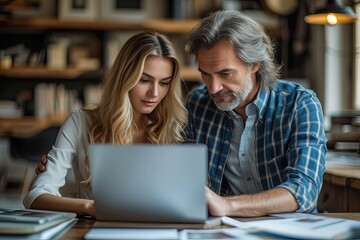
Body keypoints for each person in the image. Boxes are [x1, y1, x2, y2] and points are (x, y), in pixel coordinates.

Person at [24, 31, 188, 218]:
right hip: (97, 230)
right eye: (144, 80)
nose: (155, 93)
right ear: (124, 76)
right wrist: (90, 207)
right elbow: (35, 196)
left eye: (165, 83)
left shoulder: (173, 128)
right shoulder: (81, 122)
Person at [184, 10, 327, 217]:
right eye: (205, 74)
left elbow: (303, 190)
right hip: (225, 230)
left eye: (226, 74)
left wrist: (229, 205)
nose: (213, 88)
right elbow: (185, 181)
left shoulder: (300, 104)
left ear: (255, 64)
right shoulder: (197, 105)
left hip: (289, 230)